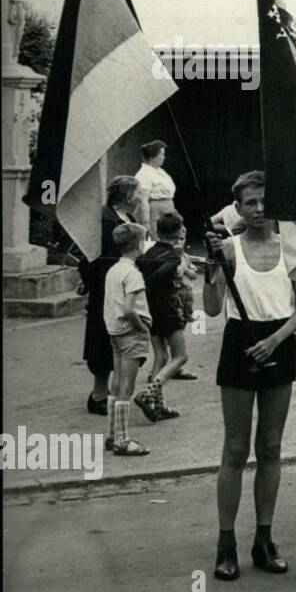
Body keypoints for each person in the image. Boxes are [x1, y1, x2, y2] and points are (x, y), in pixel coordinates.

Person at [203, 170, 296, 581]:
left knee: (270, 446)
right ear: (239, 208)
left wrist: (277, 341)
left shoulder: (293, 249)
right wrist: (212, 268)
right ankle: (225, 542)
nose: (259, 209)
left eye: (265, 201)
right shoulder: (228, 249)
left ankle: (264, 539)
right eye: (250, 203)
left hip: (277, 342)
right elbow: (212, 308)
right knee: (234, 448)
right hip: (239, 344)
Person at [79, 175, 141, 418]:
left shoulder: (130, 219)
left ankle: (111, 392)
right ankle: (98, 396)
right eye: (137, 193)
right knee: (103, 342)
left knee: (121, 340)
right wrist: (92, 284)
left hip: (125, 288)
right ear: (127, 196)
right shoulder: (106, 220)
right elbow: (92, 256)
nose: (140, 197)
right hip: (107, 291)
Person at [102, 222, 153, 456]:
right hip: (131, 332)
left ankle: (113, 435)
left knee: (116, 383)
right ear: (138, 245)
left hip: (114, 331)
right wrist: (143, 328)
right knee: (127, 387)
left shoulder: (114, 270)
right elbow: (130, 308)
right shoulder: (133, 274)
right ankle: (123, 440)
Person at [135, 211, 191, 420]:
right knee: (181, 356)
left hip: (150, 309)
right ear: (178, 232)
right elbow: (164, 274)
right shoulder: (173, 256)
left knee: (161, 355)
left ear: (157, 231)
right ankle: (148, 393)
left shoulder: (147, 254)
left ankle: (160, 405)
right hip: (167, 308)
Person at [134, 140, 177, 238]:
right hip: (155, 213)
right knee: (157, 238)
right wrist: (145, 222)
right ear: (153, 157)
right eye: (161, 154)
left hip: (168, 211)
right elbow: (143, 200)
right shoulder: (144, 174)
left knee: (171, 237)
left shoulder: (161, 172)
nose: (163, 157)